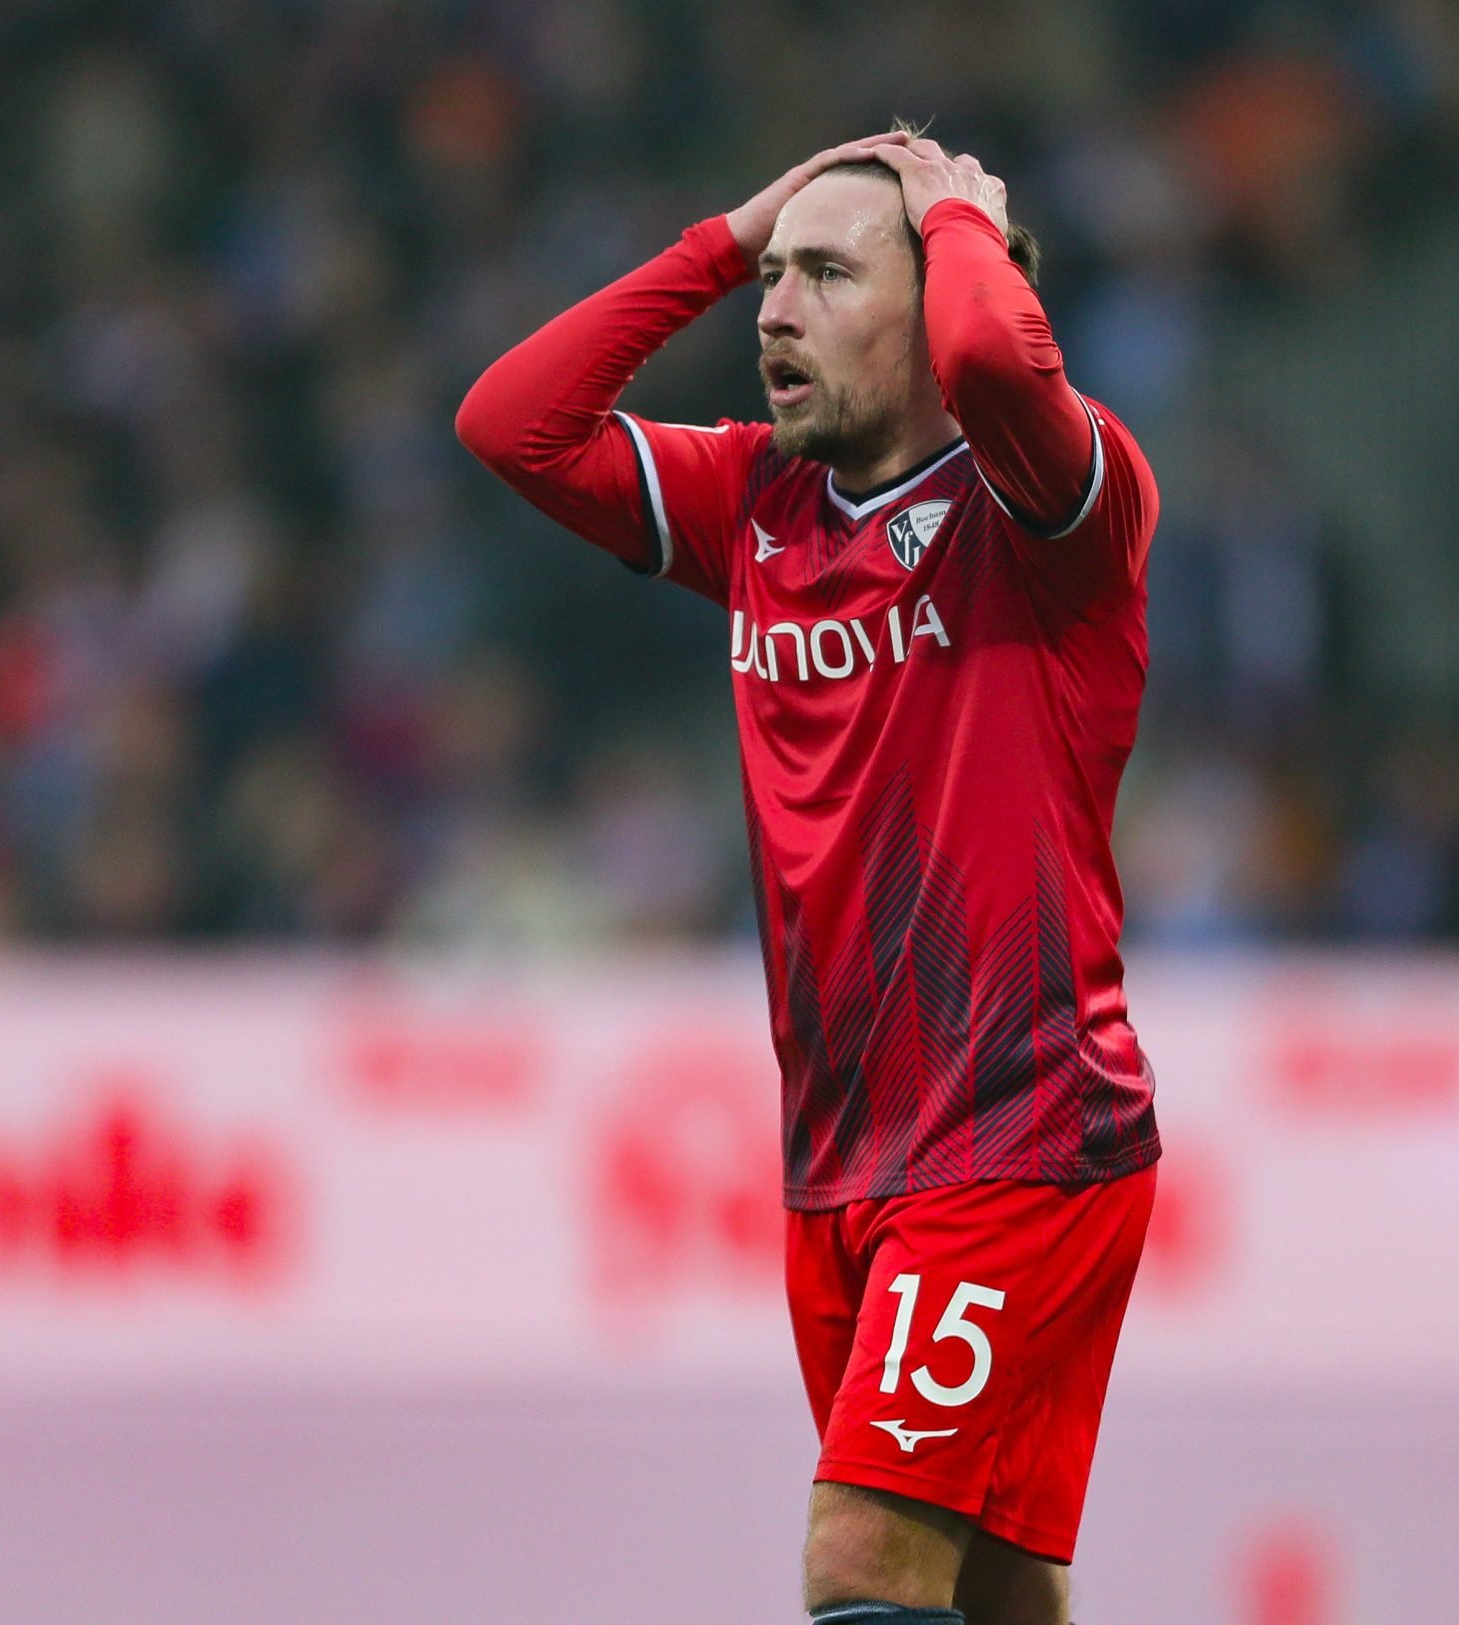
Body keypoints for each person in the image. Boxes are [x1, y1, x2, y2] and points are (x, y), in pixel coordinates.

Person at [457, 129, 1162, 1625]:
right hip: (840, 1157)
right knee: (990, 1583)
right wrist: (721, 237)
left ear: (940, 303)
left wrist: (960, 222)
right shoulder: (756, 502)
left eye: (827, 275)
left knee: (861, 1554)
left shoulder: (1055, 510)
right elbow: (512, 423)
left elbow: (992, 358)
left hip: (1016, 1130)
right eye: (770, 280)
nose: (773, 312)